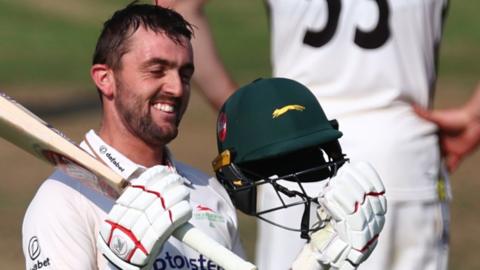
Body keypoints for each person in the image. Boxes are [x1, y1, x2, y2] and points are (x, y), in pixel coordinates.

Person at [21, 3, 386, 270]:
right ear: (105, 78)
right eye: (156, 70)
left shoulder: (208, 194)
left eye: (185, 72)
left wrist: (318, 261)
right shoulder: (63, 203)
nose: (176, 88)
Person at [156, 0, 480, 269]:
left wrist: (245, 116)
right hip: (400, 145)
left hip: (287, 155)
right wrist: (475, 116)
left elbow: (177, 5)